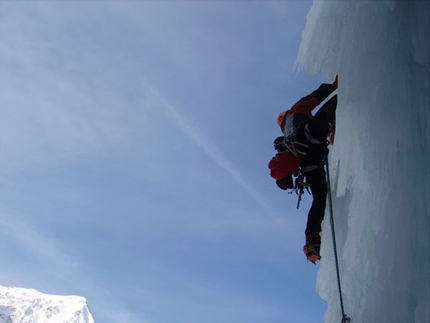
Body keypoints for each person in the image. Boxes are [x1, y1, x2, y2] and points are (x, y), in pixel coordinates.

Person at [268, 76, 338, 263]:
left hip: (309, 164)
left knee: (320, 196)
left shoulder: (286, 136)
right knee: (336, 103)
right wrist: (333, 86)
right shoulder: (295, 111)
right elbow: (314, 97)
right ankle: (332, 128)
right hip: (310, 136)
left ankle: (312, 241)